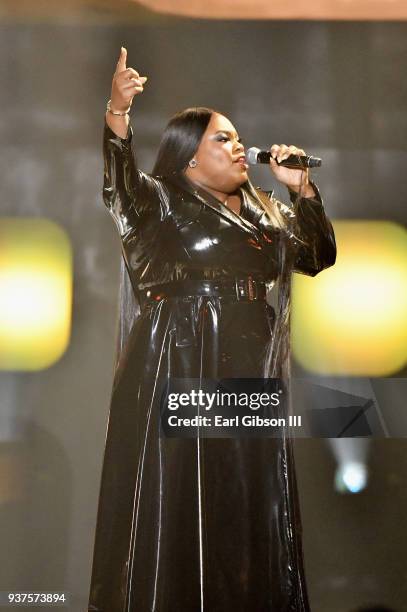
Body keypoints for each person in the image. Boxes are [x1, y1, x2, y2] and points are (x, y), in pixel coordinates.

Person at [87, 47, 336, 612]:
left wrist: (301, 191)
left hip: (247, 354)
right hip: (180, 355)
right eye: (222, 138)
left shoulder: (263, 211)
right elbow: (119, 185)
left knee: (247, 493)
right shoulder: (160, 200)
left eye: (237, 136)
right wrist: (118, 114)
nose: (239, 146)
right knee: (181, 491)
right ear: (189, 158)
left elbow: (317, 256)